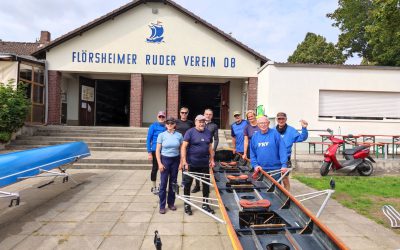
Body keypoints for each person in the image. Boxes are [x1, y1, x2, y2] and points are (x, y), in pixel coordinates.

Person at [181, 114, 215, 215]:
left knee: (206, 185)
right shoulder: (190, 132)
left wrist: (212, 159)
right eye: (199, 121)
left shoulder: (208, 133)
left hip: (204, 164)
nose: (201, 123)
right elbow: (183, 147)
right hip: (191, 164)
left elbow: (210, 147)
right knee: (187, 185)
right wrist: (184, 161)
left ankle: (205, 204)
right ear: (195, 122)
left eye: (203, 121)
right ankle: (187, 205)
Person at [155, 117, 183, 214]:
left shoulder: (179, 135)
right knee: (163, 184)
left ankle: (171, 203)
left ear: (174, 124)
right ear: (166, 125)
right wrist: (159, 163)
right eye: (168, 123)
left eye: (172, 123)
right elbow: (157, 151)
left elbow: (181, 150)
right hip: (165, 160)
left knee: (173, 183)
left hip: (175, 160)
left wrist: (181, 162)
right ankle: (162, 206)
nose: (170, 125)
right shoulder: (161, 135)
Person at [275, 112, 308, 191]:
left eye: (283, 119)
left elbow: (302, 138)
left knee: (285, 178)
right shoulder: (273, 130)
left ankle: (287, 197)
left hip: (286, 159)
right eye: (279, 119)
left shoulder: (291, 130)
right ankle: (276, 195)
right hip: (274, 158)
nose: (281, 120)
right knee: (275, 179)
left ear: (286, 119)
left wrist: (304, 128)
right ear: (277, 119)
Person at [250, 116, 288, 182]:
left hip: (275, 169)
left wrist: (284, 164)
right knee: (262, 189)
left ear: (268, 123)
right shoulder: (255, 136)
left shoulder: (275, 134)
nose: (263, 125)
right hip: (261, 169)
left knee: (275, 190)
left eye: (265, 123)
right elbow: (252, 153)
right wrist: (255, 165)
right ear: (258, 124)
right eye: (261, 123)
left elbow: (282, 150)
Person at [192, 108, 218, 193]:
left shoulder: (214, 126)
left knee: (206, 170)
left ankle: (206, 186)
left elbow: (216, 139)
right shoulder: (199, 122)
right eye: (206, 114)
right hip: (198, 150)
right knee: (196, 169)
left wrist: (213, 150)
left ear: (212, 116)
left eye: (210, 114)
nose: (208, 116)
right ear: (204, 114)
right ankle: (197, 185)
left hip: (207, 150)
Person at [146, 111, 167, 194]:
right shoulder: (153, 126)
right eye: (160, 117)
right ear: (157, 117)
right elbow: (148, 139)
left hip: (165, 151)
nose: (161, 118)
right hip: (155, 150)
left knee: (164, 169)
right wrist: (149, 152)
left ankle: (162, 186)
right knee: (155, 168)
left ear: (165, 117)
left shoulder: (166, 126)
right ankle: (154, 186)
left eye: (163, 117)